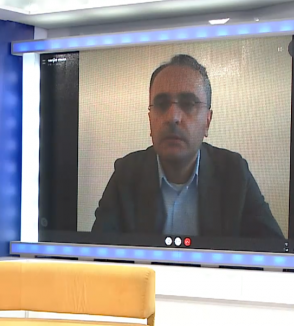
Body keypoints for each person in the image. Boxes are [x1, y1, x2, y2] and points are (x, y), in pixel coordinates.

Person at [91, 54, 284, 239]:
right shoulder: (126, 172)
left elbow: (272, 250)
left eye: (189, 103)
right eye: (161, 104)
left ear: (207, 121)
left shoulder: (234, 172)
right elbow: (99, 252)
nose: (173, 117)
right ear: (150, 120)